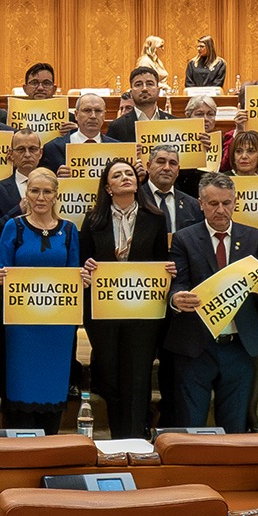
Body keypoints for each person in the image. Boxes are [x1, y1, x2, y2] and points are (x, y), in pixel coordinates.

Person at [166, 174, 258, 431]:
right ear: (200, 203)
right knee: (191, 428)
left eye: (226, 203)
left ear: (235, 202)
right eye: (213, 203)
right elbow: (178, 282)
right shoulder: (184, 238)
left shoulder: (254, 238)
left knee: (234, 430)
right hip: (196, 346)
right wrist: (176, 298)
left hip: (239, 346)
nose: (220, 210)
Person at [78, 159, 172, 440]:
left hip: (142, 312)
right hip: (104, 313)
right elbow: (83, 262)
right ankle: (117, 437)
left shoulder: (155, 218)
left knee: (137, 377)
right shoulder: (93, 220)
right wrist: (86, 268)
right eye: (117, 175)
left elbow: (161, 260)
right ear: (108, 187)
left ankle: (135, 439)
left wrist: (168, 269)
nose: (125, 178)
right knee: (110, 378)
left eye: (129, 173)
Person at [0, 168, 88, 432]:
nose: (40, 197)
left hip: (57, 327)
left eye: (47, 191)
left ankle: (49, 442)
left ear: (56, 195)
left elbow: (73, 271)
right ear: (26, 194)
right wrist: (0, 276)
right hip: (21, 326)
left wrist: (83, 278)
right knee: (21, 385)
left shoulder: (69, 230)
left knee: (52, 386)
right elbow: (2, 267)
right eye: (35, 191)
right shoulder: (13, 226)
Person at [40, 93, 119, 174]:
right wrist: (57, 178)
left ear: (104, 115)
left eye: (98, 111)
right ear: (76, 115)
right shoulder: (53, 148)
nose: (93, 116)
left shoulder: (117, 148)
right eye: (87, 110)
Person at [0, 128, 44, 235]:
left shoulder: (54, 186)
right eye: (21, 149)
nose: (27, 155)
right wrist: (18, 210)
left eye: (33, 149)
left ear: (40, 153)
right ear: (11, 154)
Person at [107, 65, 172, 142]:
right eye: (138, 85)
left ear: (158, 91)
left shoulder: (174, 123)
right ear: (131, 93)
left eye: (150, 84)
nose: (144, 88)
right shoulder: (117, 127)